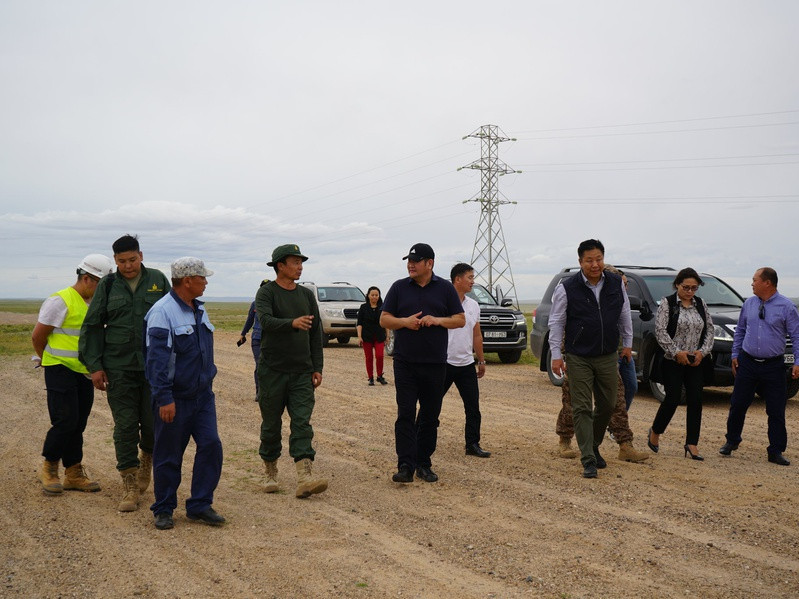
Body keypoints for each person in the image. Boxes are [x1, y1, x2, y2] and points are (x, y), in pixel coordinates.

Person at [79, 234, 170, 512]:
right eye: (121, 261)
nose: (128, 266)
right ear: (115, 260)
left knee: (153, 424)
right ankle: (129, 483)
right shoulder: (107, 285)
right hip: (118, 367)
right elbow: (92, 326)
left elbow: (171, 317)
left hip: (153, 368)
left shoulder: (157, 280)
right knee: (126, 426)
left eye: (132, 260)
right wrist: (94, 366)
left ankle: (146, 460)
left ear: (140, 255)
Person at [143, 257, 224, 530]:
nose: (206, 282)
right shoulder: (162, 312)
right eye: (202, 277)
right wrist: (164, 398)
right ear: (187, 281)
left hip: (203, 397)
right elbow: (156, 360)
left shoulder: (199, 309)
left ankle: (200, 504)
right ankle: (164, 508)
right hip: (174, 399)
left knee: (211, 445)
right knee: (168, 454)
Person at [380, 243, 465, 483]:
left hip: (435, 364)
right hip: (405, 362)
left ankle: (424, 463)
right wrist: (404, 322)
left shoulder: (445, 289)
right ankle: (405, 465)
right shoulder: (398, 288)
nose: (411, 264)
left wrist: (437, 320)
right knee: (405, 413)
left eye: (416, 261)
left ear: (430, 263)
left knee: (429, 416)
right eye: (409, 260)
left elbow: (459, 320)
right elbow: (384, 319)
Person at [549, 239, 633, 479]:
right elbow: (556, 322)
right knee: (582, 406)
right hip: (579, 356)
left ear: (603, 259)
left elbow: (624, 315)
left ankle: (593, 443)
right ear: (580, 262)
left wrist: (627, 344)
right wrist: (556, 355)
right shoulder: (568, 287)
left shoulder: (615, 283)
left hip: (607, 354)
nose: (595, 265)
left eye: (598, 259)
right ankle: (588, 458)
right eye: (589, 260)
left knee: (608, 403)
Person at [32, 254, 115, 495]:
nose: (103, 290)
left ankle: (73, 472)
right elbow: (38, 336)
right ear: (88, 279)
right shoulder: (60, 301)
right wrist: (48, 361)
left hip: (83, 372)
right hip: (59, 368)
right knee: (65, 420)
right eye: (102, 284)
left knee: (78, 422)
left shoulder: (94, 304)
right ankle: (49, 467)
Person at [256, 244, 328, 498]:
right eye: (295, 262)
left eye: (301, 262)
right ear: (280, 266)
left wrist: (317, 367)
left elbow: (315, 332)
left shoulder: (306, 295)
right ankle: (269, 473)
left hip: (301, 372)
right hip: (272, 371)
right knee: (271, 424)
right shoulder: (266, 293)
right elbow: (265, 321)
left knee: (301, 423)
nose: (300, 267)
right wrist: (292, 323)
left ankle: (304, 477)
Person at [720, 267, 799, 465]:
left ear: (767, 283)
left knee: (776, 409)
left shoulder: (787, 307)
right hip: (748, 362)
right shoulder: (749, 303)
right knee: (738, 404)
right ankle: (731, 441)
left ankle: (776, 451)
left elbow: (796, 336)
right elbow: (740, 331)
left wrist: (798, 361)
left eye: (755, 280)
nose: (752, 283)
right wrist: (735, 354)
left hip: (773, 366)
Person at [647, 268, 715, 460]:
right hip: (672, 359)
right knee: (673, 398)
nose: (690, 291)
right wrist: (677, 352)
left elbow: (710, 330)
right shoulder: (667, 303)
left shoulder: (701, 304)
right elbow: (660, 331)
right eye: (686, 287)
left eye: (694, 288)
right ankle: (655, 431)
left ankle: (692, 443)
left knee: (696, 399)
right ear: (677, 284)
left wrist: (703, 352)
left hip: (696, 360)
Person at [442, 263, 490, 458]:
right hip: (443, 363)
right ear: (457, 279)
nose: (473, 281)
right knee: (432, 404)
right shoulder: (442, 303)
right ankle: (420, 439)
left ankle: (472, 444)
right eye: (469, 277)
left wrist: (481, 360)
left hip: (466, 364)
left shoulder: (473, 305)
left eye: (473, 277)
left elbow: (476, 335)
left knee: (473, 407)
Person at [239, 279, 269, 399]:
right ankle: (259, 392)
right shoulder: (255, 304)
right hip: (257, 338)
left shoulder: (276, 304)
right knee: (259, 364)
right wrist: (243, 333)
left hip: (271, 340)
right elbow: (250, 320)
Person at [356, 286, 388, 386]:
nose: (374, 297)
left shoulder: (383, 307)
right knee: (369, 357)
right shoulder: (363, 307)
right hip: (367, 336)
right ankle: (370, 377)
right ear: (368, 296)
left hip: (379, 335)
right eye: (372, 295)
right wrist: (359, 336)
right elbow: (359, 323)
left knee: (380, 356)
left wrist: (387, 336)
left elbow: (386, 322)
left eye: (376, 295)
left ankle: (379, 376)